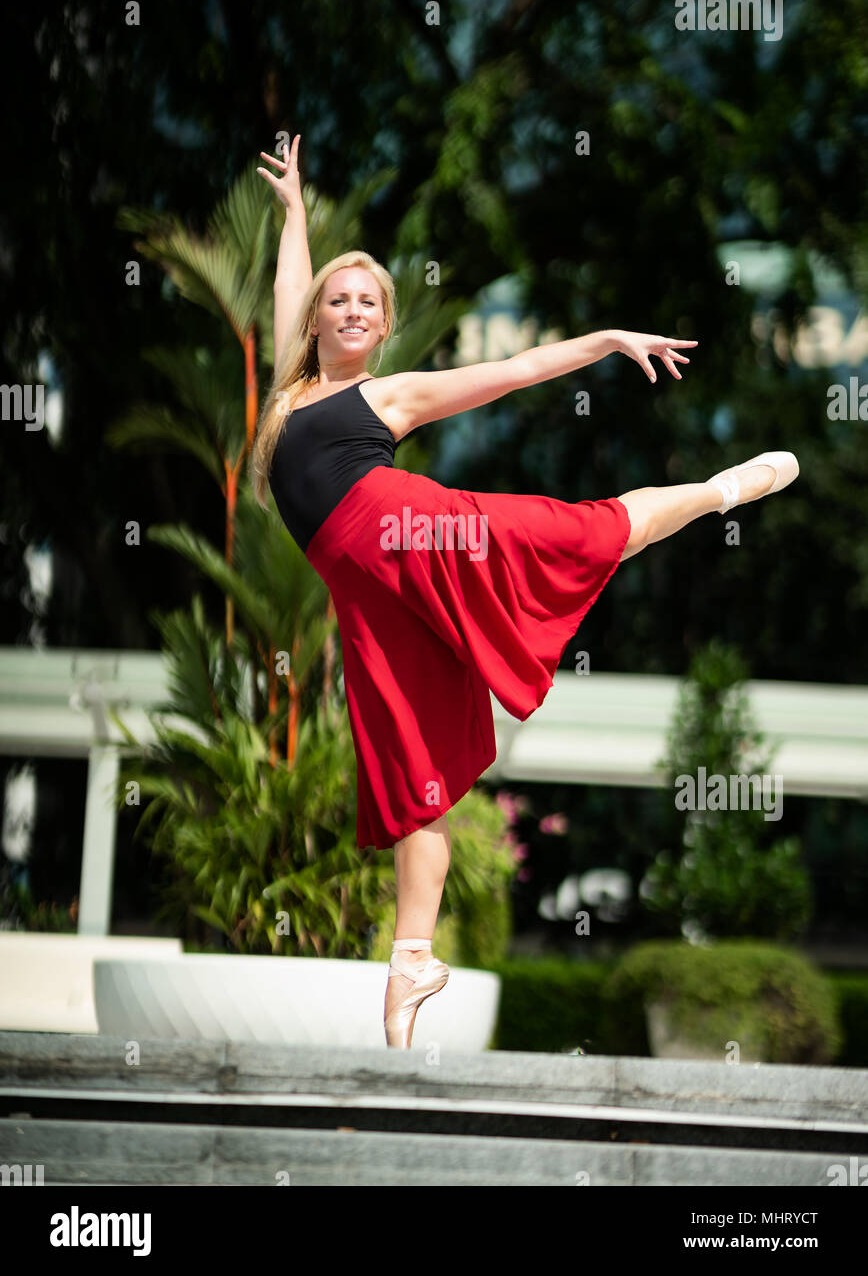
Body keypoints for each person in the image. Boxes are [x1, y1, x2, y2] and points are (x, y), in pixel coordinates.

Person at [250, 136, 798, 1050]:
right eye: (337, 300)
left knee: (587, 533)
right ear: (316, 321)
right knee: (418, 779)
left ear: (383, 329)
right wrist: (297, 214)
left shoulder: (390, 397)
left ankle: (717, 490)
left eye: (368, 304)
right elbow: (287, 287)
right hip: (375, 602)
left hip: (430, 541)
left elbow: (510, 374)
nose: (350, 310)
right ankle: (411, 966)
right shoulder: (286, 396)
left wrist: (608, 340)